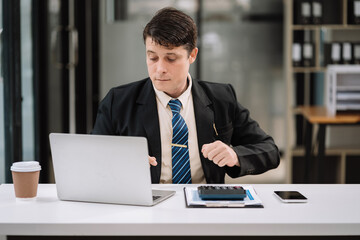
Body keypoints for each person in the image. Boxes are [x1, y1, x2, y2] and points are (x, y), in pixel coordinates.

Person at [92, 7, 280, 184]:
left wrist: (235, 155)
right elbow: (93, 160)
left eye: (171, 58)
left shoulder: (221, 97)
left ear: (192, 55)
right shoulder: (118, 102)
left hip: (205, 204)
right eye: (152, 57)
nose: (160, 69)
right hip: (146, 204)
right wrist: (120, 163)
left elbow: (269, 150)